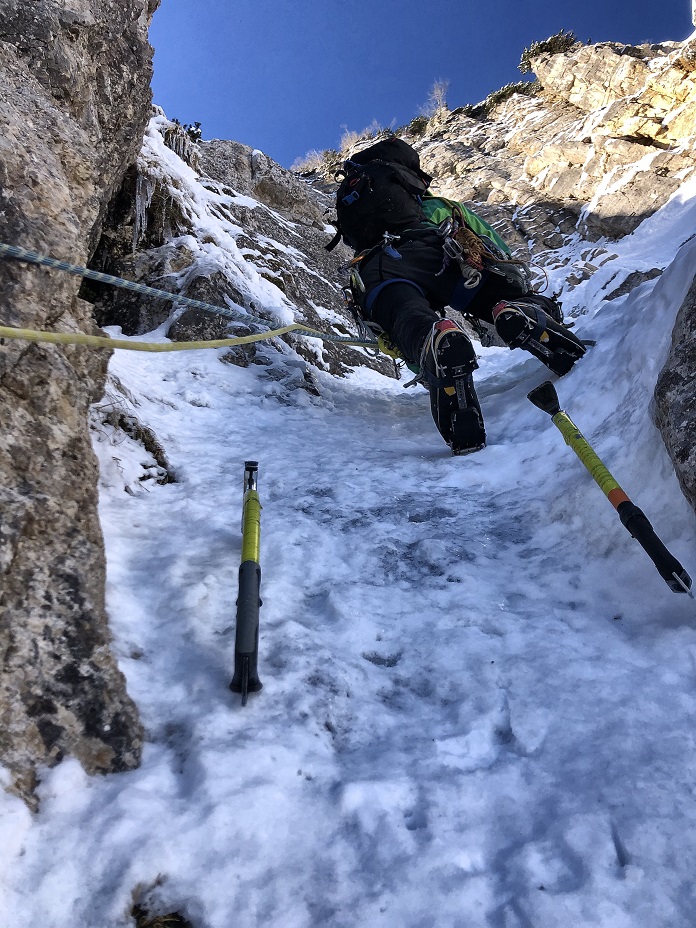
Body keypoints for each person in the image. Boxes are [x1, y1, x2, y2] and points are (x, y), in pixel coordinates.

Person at [326, 137, 587, 455]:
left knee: (409, 318)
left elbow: (392, 336)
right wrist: (512, 289)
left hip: (376, 270)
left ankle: (432, 339)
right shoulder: (436, 207)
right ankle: (517, 312)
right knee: (493, 296)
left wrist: (423, 367)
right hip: (436, 251)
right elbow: (494, 248)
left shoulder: (357, 210)